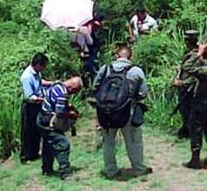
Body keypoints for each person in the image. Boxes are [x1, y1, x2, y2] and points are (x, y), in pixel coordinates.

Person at [93, 46, 152, 179]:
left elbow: (95, 86)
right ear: (130, 58)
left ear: (116, 56)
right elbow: (143, 93)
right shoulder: (136, 71)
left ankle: (111, 171)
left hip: (106, 112)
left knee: (108, 142)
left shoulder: (105, 68)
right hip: (127, 112)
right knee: (133, 141)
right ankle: (138, 168)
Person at [36, 77, 83, 180]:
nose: (73, 94)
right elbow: (60, 112)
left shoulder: (57, 85)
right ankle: (65, 173)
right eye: (75, 91)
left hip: (41, 119)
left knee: (48, 144)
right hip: (48, 122)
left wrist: (68, 106)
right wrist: (72, 114)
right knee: (63, 143)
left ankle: (47, 170)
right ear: (72, 88)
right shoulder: (62, 93)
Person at [20, 52, 52, 164]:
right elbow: (30, 97)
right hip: (30, 106)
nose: (44, 69)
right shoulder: (27, 76)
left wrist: (50, 83)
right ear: (38, 64)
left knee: (37, 129)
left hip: (38, 104)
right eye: (43, 66)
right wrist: (46, 100)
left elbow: (40, 82)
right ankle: (25, 156)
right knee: (28, 131)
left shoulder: (36, 73)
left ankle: (34, 153)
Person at [172, 30, 199, 139]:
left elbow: (196, 74)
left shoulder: (195, 54)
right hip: (184, 88)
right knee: (184, 111)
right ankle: (186, 130)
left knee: (189, 111)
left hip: (190, 88)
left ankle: (190, 133)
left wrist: (182, 82)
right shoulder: (189, 52)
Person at [70, 14, 104, 83]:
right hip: (86, 53)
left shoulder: (71, 30)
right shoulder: (84, 29)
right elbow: (90, 42)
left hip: (74, 52)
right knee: (91, 69)